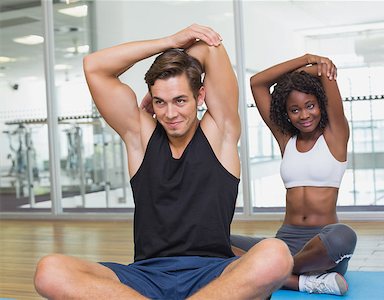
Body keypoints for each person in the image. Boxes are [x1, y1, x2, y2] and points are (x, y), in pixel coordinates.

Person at [33, 24, 293, 299]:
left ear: (200, 96)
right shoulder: (140, 136)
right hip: (145, 278)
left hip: (213, 277)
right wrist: (168, 41)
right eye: (160, 102)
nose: (170, 113)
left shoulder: (220, 132)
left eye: (180, 100)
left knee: (275, 255)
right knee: (50, 271)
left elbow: (209, 47)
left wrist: (179, 50)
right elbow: (95, 66)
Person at [231, 54, 357, 296]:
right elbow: (258, 83)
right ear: (286, 113)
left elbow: (322, 72)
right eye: (295, 110)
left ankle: (271, 272)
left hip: (322, 247)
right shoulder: (286, 139)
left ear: (320, 103)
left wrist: (309, 70)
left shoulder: (335, 135)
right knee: (213, 240)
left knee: (344, 236)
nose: (304, 115)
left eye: (310, 105)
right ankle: (298, 281)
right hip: (285, 242)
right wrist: (307, 58)